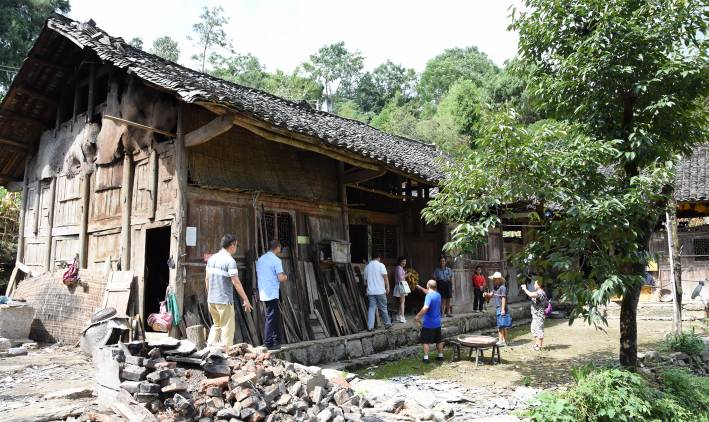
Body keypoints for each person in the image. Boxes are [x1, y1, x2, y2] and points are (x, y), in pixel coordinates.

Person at [205, 234, 253, 348]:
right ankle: (227, 356)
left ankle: (209, 350)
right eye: (236, 245)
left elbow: (206, 279)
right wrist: (246, 299)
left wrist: (209, 295)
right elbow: (236, 282)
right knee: (227, 328)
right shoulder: (229, 261)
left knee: (216, 325)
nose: (236, 247)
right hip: (224, 301)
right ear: (232, 245)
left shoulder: (212, 258)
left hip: (211, 300)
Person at [256, 240, 288, 350]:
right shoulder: (276, 260)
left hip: (263, 291)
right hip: (272, 292)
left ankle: (277, 340)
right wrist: (285, 277)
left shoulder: (260, 259)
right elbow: (280, 277)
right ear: (278, 248)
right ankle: (268, 342)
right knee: (271, 316)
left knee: (275, 316)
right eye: (280, 248)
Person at [415, 280, 444, 363]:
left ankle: (426, 358)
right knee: (438, 340)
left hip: (428, 323)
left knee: (425, 341)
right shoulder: (438, 295)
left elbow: (425, 308)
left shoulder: (429, 296)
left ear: (428, 286)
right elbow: (427, 291)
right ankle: (440, 356)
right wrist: (420, 288)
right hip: (437, 323)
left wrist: (418, 316)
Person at [364, 254, 392, 331]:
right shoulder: (381, 265)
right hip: (380, 291)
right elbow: (385, 277)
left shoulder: (367, 267)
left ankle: (370, 327)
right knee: (383, 308)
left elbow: (365, 282)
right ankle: (387, 324)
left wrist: (367, 289)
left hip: (371, 292)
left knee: (371, 308)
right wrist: (388, 287)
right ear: (379, 257)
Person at [484, 271, 511, 347]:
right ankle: (505, 341)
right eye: (494, 279)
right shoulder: (495, 288)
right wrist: (486, 294)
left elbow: (503, 299)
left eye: (495, 279)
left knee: (501, 325)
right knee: (503, 325)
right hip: (498, 308)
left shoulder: (503, 288)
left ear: (499, 280)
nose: (494, 281)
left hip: (502, 308)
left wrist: (502, 309)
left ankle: (501, 340)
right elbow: (490, 295)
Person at [522, 278, 548, 351]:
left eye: (535, 283)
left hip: (539, 315)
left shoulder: (541, 293)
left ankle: (539, 346)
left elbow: (531, 295)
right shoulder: (538, 292)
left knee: (539, 330)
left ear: (539, 285)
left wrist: (525, 289)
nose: (534, 285)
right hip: (535, 315)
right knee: (534, 329)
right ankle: (537, 344)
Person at [392, 257, 410, 323]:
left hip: (400, 285)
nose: (404, 263)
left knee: (401, 302)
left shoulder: (400, 268)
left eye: (405, 261)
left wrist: (405, 272)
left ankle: (399, 316)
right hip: (401, 285)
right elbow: (400, 278)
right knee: (402, 302)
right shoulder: (399, 268)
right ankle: (402, 317)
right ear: (400, 262)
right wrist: (407, 275)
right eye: (403, 261)